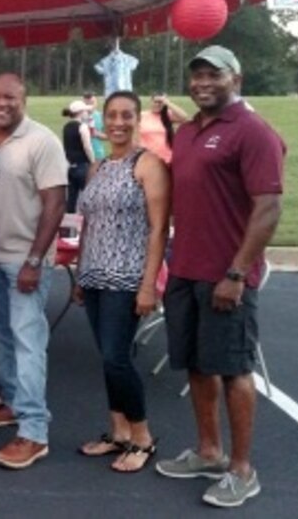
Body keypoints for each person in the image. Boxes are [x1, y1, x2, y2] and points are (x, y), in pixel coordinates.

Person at [154, 46, 285, 508]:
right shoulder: (190, 131)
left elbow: (268, 208)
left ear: (236, 77)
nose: (203, 82)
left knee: (234, 371)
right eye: (197, 76)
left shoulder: (253, 132)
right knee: (196, 364)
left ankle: (242, 470)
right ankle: (209, 451)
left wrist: (236, 272)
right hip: (186, 271)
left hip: (225, 275)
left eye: (214, 74)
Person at [0, 73, 67, 470]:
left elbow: (55, 204)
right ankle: (13, 403)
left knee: (28, 343)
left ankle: (34, 431)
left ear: (24, 97)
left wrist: (34, 259)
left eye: (10, 96)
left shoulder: (42, 141)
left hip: (24, 261)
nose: (1, 103)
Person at [73, 91, 170, 473]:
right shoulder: (96, 167)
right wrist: (81, 274)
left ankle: (142, 438)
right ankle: (118, 432)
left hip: (127, 277)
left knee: (117, 357)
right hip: (95, 275)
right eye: (112, 115)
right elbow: (89, 225)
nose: (118, 122)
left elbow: (159, 229)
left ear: (137, 120)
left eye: (126, 115)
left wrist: (149, 285)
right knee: (108, 358)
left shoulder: (148, 165)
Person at [61, 100, 96, 213]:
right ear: (80, 112)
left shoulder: (66, 127)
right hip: (82, 166)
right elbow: (87, 147)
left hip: (70, 166)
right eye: (85, 111)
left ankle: (68, 225)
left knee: (71, 198)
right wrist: (93, 162)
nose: (87, 113)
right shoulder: (82, 127)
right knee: (88, 196)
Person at [137, 92, 189, 165]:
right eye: (156, 102)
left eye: (160, 102)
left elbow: (184, 117)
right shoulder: (142, 115)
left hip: (166, 159)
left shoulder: (167, 116)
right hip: (146, 159)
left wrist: (167, 102)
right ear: (151, 101)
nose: (158, 104)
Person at [82, 91, 107, 161]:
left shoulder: (100, 116)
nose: (90, 106)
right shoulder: (79, 117)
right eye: (87, 103)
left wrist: (97, 134)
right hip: (82, 155)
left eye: (92, 103)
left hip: (98, 154)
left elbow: (109, 136)